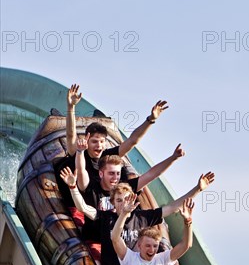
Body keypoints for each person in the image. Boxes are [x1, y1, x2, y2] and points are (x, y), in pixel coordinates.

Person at [59, 168, 214, 265]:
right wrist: (73, 186)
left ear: (133, 199)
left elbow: (172, 207)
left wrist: (197, 190)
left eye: (126, 199)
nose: (123, 203)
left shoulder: (141, 218)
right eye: (119, 200)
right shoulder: (106, 218)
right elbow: (83, 207)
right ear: (113, 202)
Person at [55, 84, 168, 219]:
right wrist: (71, 107)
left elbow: (132, 141)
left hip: (101, 204)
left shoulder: (107, 156)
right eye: (95, 141)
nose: (99, 145)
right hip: (79, 200)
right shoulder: (79, 152)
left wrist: (150, 120)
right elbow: (70, 135)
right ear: (87, 140)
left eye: (102, 141)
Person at [112, 195, 195, 265]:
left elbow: (186, 245)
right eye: (148, 246)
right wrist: (123, 214)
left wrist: (188, 221)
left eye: (155, 246)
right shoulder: (129, 258)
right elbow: (115, 238)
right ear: (139, 245)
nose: (151, 250)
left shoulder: (162, 259)